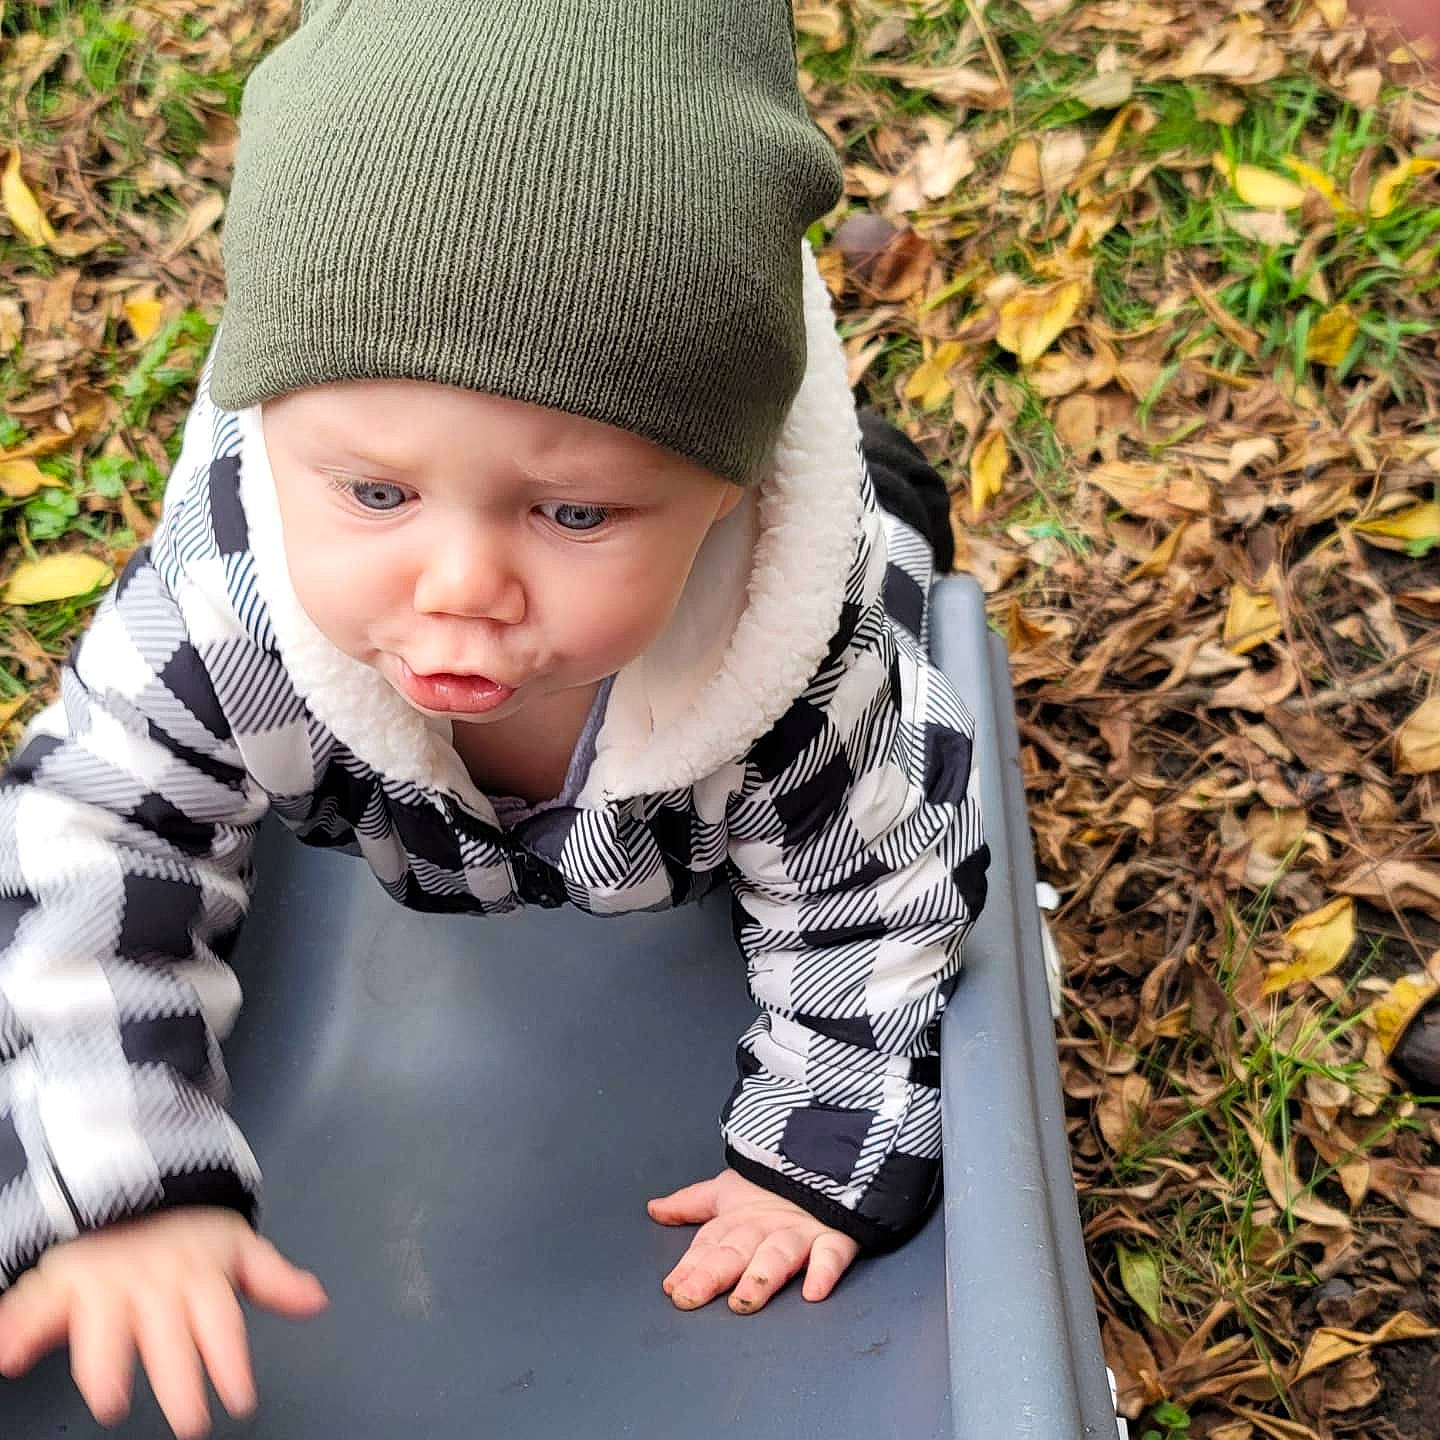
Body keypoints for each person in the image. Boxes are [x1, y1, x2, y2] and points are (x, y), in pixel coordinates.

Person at [0, 2, 988, 1436]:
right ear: (272, 428)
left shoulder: (805, 677)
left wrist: (814, 1154)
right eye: (377, 493)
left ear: (727, 491)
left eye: (572, 508)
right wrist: (121, 1182)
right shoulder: (228, 618)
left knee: (890, 548)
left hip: (764, 688)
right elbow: (85, 834)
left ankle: (887, 480)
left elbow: (886, 896)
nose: (461, 586)